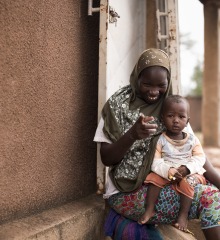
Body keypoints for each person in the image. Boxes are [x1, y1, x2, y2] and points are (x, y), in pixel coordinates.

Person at [94, 48, 220, 239]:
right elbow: (106, 158)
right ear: (137, 78)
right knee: (212, 198)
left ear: (168, 83)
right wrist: (132, 135)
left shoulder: (171, 108)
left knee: (210, 185)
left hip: (169, 180)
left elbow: (196, 153)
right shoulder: (116, 107)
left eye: (161, 85)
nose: (154, 92)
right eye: (146, 84)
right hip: (128, 192)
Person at [138, 95, 206, 232]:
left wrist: (187, 168)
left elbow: (200, 158)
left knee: (188, 182)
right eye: (170, 116)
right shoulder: (160, 140)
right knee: (153, 178)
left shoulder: (193, 140)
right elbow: (155, 161)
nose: (175, 121)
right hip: (168, 171)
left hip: (189, 173)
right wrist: (168, 170)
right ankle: (150, 209)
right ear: (163, 118)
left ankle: (183, 215)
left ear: (187, 121)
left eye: (181, 117)